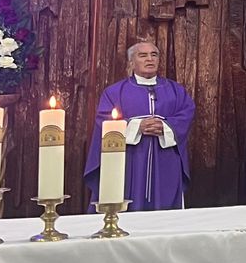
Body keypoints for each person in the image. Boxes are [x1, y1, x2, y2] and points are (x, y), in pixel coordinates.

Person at [83, 38, 195, 211]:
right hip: (129, 161)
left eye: (154, 55)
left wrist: (165, 127)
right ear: (131, 62)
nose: (149, 59)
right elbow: (104, 122)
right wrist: (137, 127)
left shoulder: (176, 91)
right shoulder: (114, 92)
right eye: (143, 55)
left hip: (165, 161)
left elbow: (186, 114)